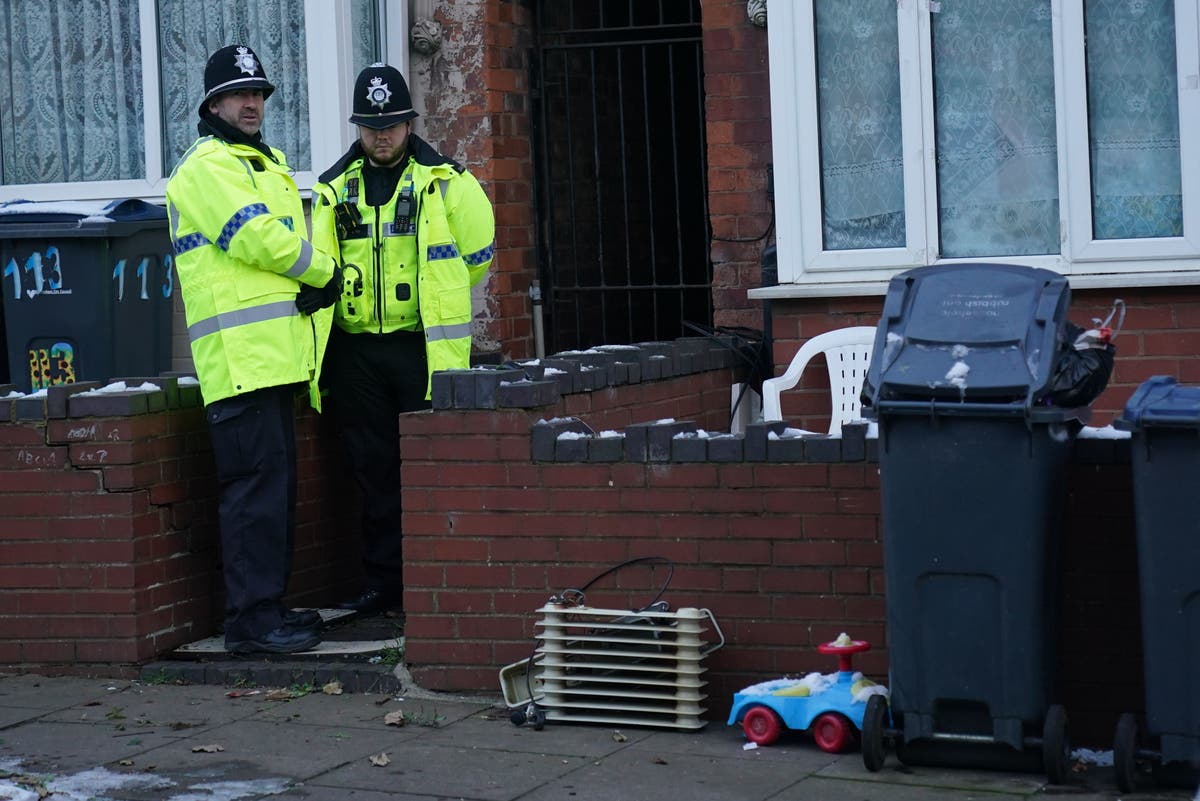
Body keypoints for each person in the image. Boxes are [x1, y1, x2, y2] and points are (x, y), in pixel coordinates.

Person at [165, 44, 343, 654]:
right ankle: (249, 623)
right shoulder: (206, 167)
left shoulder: (261, 163)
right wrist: (323, 272)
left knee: (273, 496)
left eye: (258, 93)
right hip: (240, 364)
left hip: (274, 359)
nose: (252, 103)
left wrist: (311, 283)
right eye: (239, 94)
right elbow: (256, 237)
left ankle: (268, 608)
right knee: (252, 496)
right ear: (213, 103)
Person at [312, 63, 495, 617]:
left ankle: (430, 584)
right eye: (371, 126)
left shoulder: (443, 180)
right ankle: (384, 587)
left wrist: (439, 298)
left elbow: (479, 253)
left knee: (425, 466)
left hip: (419, 346)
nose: (381, 135)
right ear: (358, 126)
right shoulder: (333, 186)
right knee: (372, 472)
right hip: (355, 352)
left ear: (409, 123)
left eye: (390, 124)